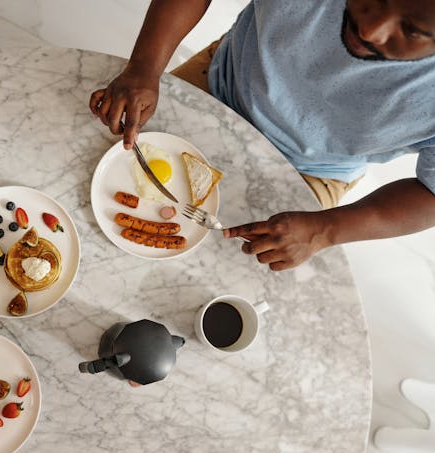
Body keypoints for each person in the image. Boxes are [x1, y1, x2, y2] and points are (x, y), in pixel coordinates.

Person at [90, 0, 435, 271]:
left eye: (413, 29)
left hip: (311, 171)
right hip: (222, 79)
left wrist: (325, 230)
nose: (372, 28)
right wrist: (143, 68)